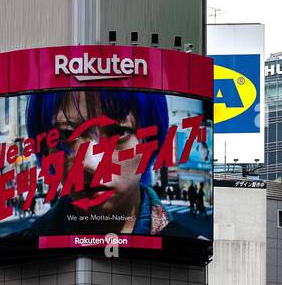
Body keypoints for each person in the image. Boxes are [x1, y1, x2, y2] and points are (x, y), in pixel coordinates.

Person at [20, 90, 198, 240]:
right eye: (67, 135)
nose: (92, 163)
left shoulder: (191, 250)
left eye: (119, 132)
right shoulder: (23, 251)